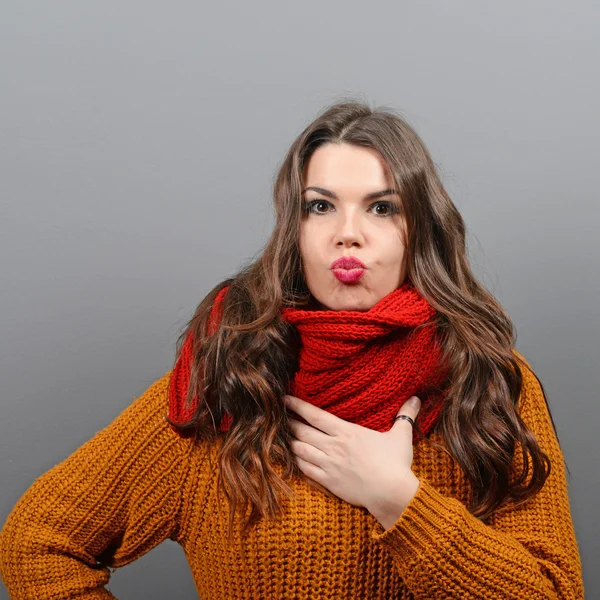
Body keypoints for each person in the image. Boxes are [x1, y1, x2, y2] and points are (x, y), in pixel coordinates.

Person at [0, 101, 584, 599]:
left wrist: (401, 502)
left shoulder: (487, 381)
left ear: (420, 230)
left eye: (382, 207)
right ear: (295, 229)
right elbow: (38, 542)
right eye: (320, 206)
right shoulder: (228, 382)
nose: (346, 232)